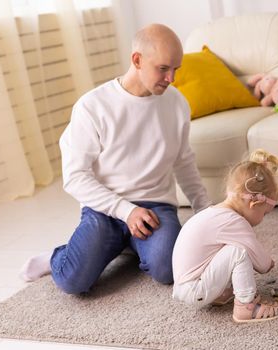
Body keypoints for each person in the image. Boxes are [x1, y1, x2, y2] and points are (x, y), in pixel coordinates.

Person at [19, 24, 211, 294]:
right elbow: (75, 177)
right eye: (164, 69)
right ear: (137, 60)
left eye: (176, 69)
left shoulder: (177, 103)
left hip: (156, 207)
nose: (172, 78)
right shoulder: (92, 106)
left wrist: (206, 212)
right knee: (73, 282)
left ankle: (130, 244)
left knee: (169, 270)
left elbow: (184, 161)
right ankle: (57, 255)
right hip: (105, 209)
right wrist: (126, 211)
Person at [172, 149, 278, 323]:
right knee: (238, 251)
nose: (263, 219)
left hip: (186, 286)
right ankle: (246, 308)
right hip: (195, 289)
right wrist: (268, 262)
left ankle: (219, 293)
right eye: (265, 213)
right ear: (254, 203)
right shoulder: (234, 221)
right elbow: (262, 264)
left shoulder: (215, 214)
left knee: (227, 248)